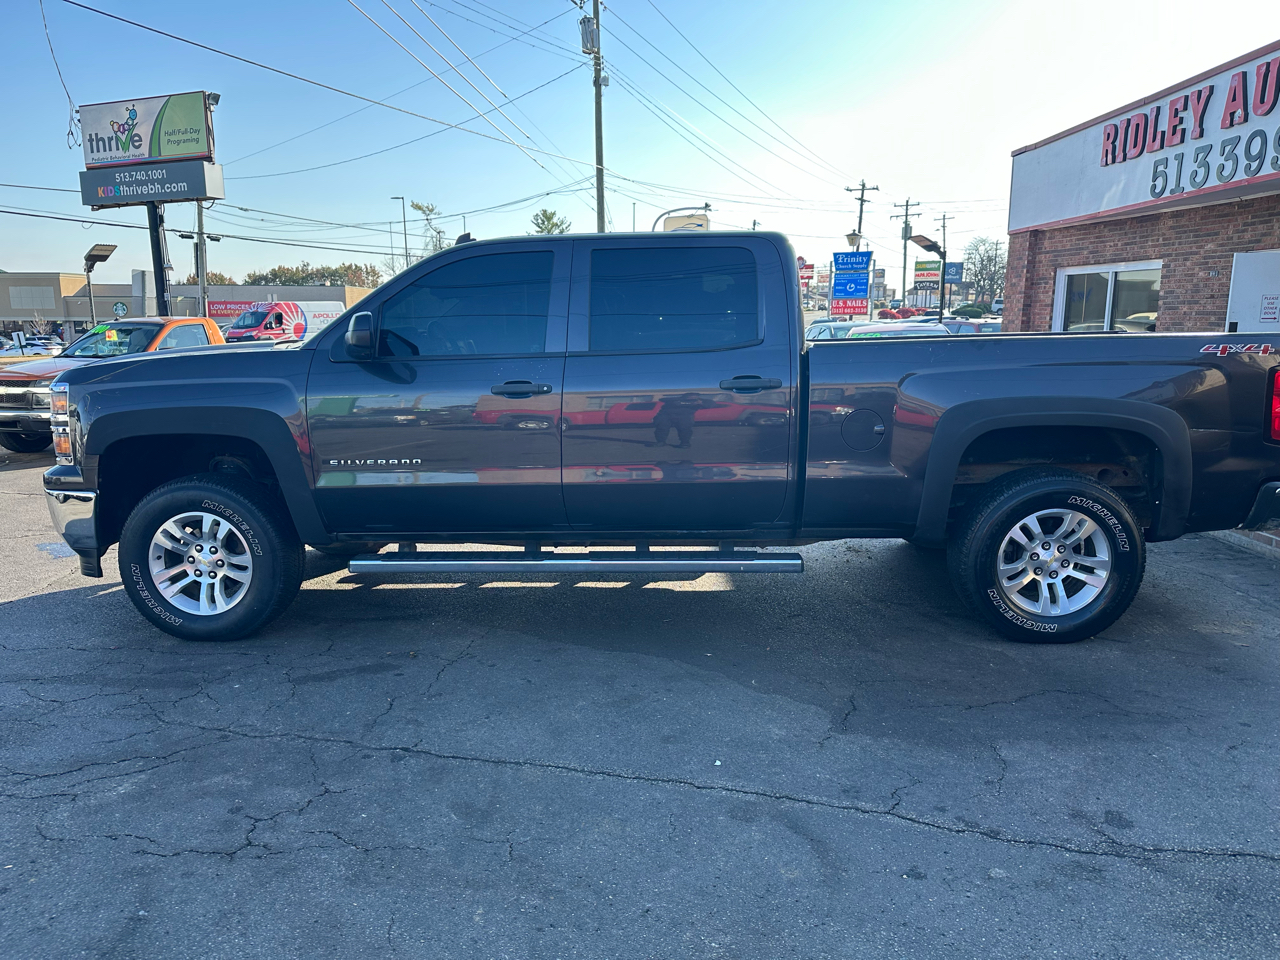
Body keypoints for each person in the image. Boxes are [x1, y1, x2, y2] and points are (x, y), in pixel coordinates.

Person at [649, 392, 718, 448]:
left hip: (685, 416)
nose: (692, 397)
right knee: (661, 428)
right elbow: (662, 399)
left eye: (694, 395)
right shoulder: (677, 399)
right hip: (667, 415)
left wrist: (701, 403)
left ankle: (685, 443)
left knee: (685, 429)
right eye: (690, 395)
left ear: (698, 396)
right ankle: (660, 442)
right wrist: (679, 401)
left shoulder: (700, 401)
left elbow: (712, 404)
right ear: (685, 395)